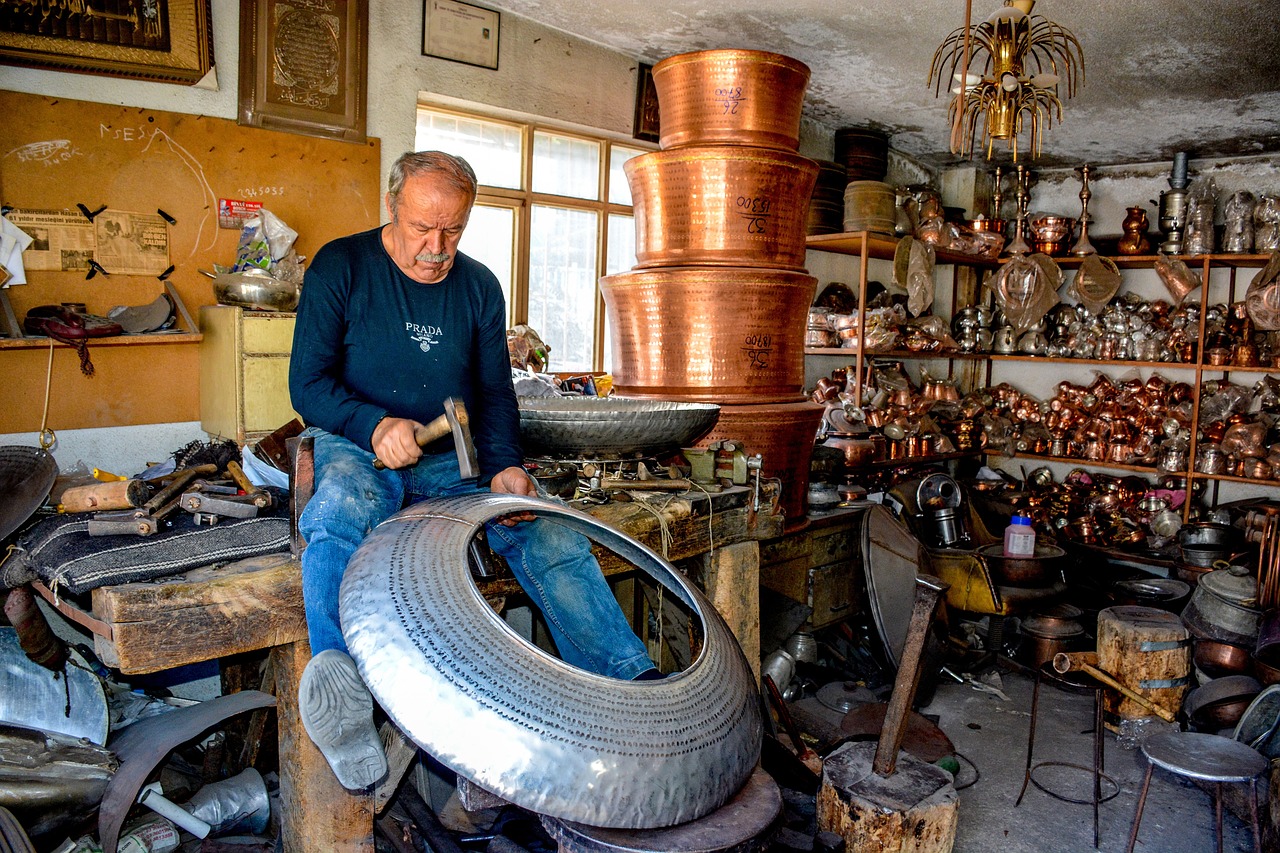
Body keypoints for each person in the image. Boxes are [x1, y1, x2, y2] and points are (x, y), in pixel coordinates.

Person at [288, 151, 658, 791]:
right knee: (342, 506)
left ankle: (634, 689)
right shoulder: (340, 267)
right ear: (391, 206)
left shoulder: (479, 287)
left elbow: (493, 394)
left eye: (452, 231)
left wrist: (507, 466)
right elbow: (308, 384)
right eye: (421, 229)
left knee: (542, 524)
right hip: (356, 443)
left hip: (447, 461)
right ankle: (340, 691)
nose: (436, 249)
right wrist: (373, 425)